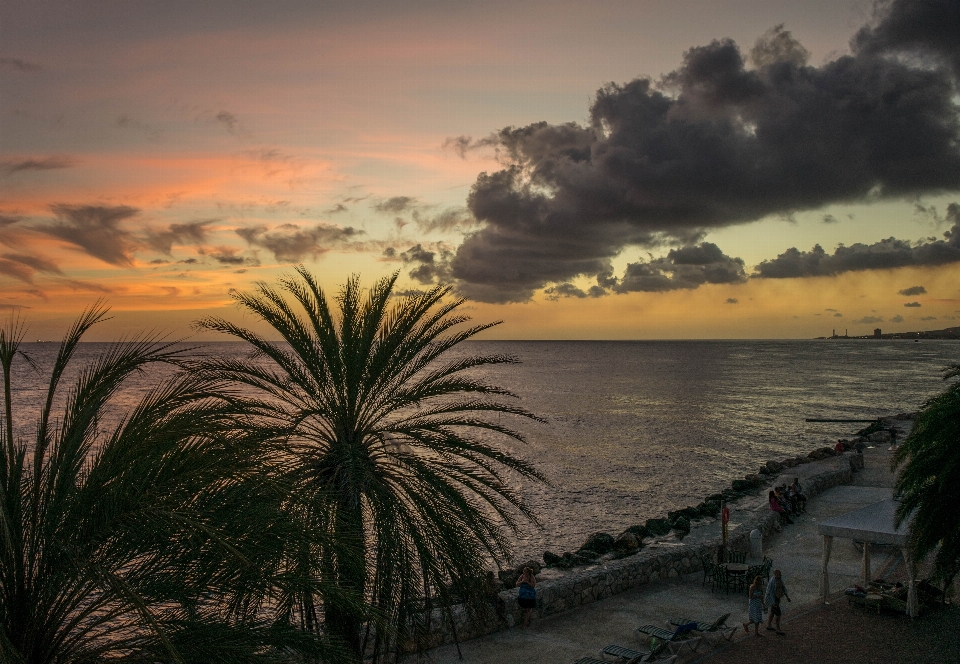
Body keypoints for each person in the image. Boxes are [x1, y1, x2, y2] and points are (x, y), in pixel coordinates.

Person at [765, 569, 791, 635]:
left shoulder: (780, 579)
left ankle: (769, 624)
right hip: (774, 600)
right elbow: (769, 592)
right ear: (776, 574)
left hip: (777, 598)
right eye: (779, 574)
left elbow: (783, 587)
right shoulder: (772, 581)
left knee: (772, 612)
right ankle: (778, 628)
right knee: (778, 614)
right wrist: (772, 602)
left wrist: (787, 596)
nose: (780, 575)